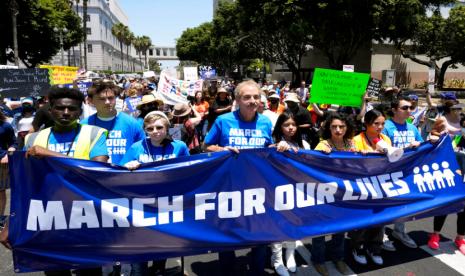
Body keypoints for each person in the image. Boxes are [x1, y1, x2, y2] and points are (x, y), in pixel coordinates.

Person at [0, 86, 109, 275]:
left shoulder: (94, 134)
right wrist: (11, 223)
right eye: (60, 108)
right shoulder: (33, 139)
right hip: (49, 218)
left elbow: (96, 172)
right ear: (50, 110)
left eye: (72, 108)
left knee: (90, 272)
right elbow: (25, 186)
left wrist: (49, 154)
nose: (66, 113)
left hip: (86, 217)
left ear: (80, 111)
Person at [204, 80, 273, 276]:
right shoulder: (223, 121)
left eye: (256, 97)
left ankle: (257, 270)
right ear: (237, 100)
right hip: (229, 187)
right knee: (228, 233)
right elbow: (206, 145)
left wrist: (277, 148)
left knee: (259, 233)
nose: (252, 101)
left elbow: (268, 148)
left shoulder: (266, 122)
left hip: (258, 187)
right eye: (247, 97)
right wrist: (221, 149)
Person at [312, 112, 353, 275]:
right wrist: (321, 158)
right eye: (334, 126)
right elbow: (312, 167)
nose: (338, 130)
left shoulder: (351, 144)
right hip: (325, 194)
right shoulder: (322, 146)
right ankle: (318, 259)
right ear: (328, 128)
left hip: (344, 194)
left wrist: (363, 155)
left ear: (346, 128)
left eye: (341, 126)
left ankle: (338, 258)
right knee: (321, 229)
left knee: (341, 228)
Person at [350, 109, 392, 265]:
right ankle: (358, 246)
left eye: (382, 123)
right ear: (367, 123)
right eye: (376, 123)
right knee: (362, 219)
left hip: (381, 184)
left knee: (379, 218)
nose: (380, 127)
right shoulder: (356, 140)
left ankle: (374, 247)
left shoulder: (386, 139)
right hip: (362, 186)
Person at [269, 111, 308, 276]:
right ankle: (277, 260)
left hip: (297, 191)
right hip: (276, 192)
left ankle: (290, 255)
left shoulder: (304, 144)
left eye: (293, 124)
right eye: (286, 125)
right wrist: (276, 148)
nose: (291, 128)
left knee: (294, 224)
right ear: (280, 127)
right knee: (277, 226)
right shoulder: (273, 143)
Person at [382, 95, 423, 249]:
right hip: (388, 172)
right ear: (394, 110)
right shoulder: (385, 126)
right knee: (385, 204)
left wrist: (423, 142)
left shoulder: (412, 127)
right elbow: (382, 151)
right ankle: (381, 235)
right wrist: (406, 148)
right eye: (404, 107)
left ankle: (399, 231)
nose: (409, 110)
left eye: (410, 107)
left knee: (405, 203)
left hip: (408, 173)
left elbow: (421, 146)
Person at [427, 102, 465, 255]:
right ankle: (435, 234)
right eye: (457, 109)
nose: (459, 111)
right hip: (448, 170)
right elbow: (432, 136)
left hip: (464, 173)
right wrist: (435, 137)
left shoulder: (461, 126)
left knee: (464, 208)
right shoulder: (443, 121)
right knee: (445, 204)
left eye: (460, 109)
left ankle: (460, 238)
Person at [81, 81, 145, 165]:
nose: (107, 102)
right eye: (102, 99)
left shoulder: (132, 123)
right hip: (95, 175)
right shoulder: (84, 125)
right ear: (90, 101)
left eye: (111, 98)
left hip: (125, 175)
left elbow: (144, 150)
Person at [0, 111, 16, 228]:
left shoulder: (5, 125)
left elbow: (13, 143)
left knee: (0, 192)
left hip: (1, 161)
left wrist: (8, 154)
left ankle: (0, 218)